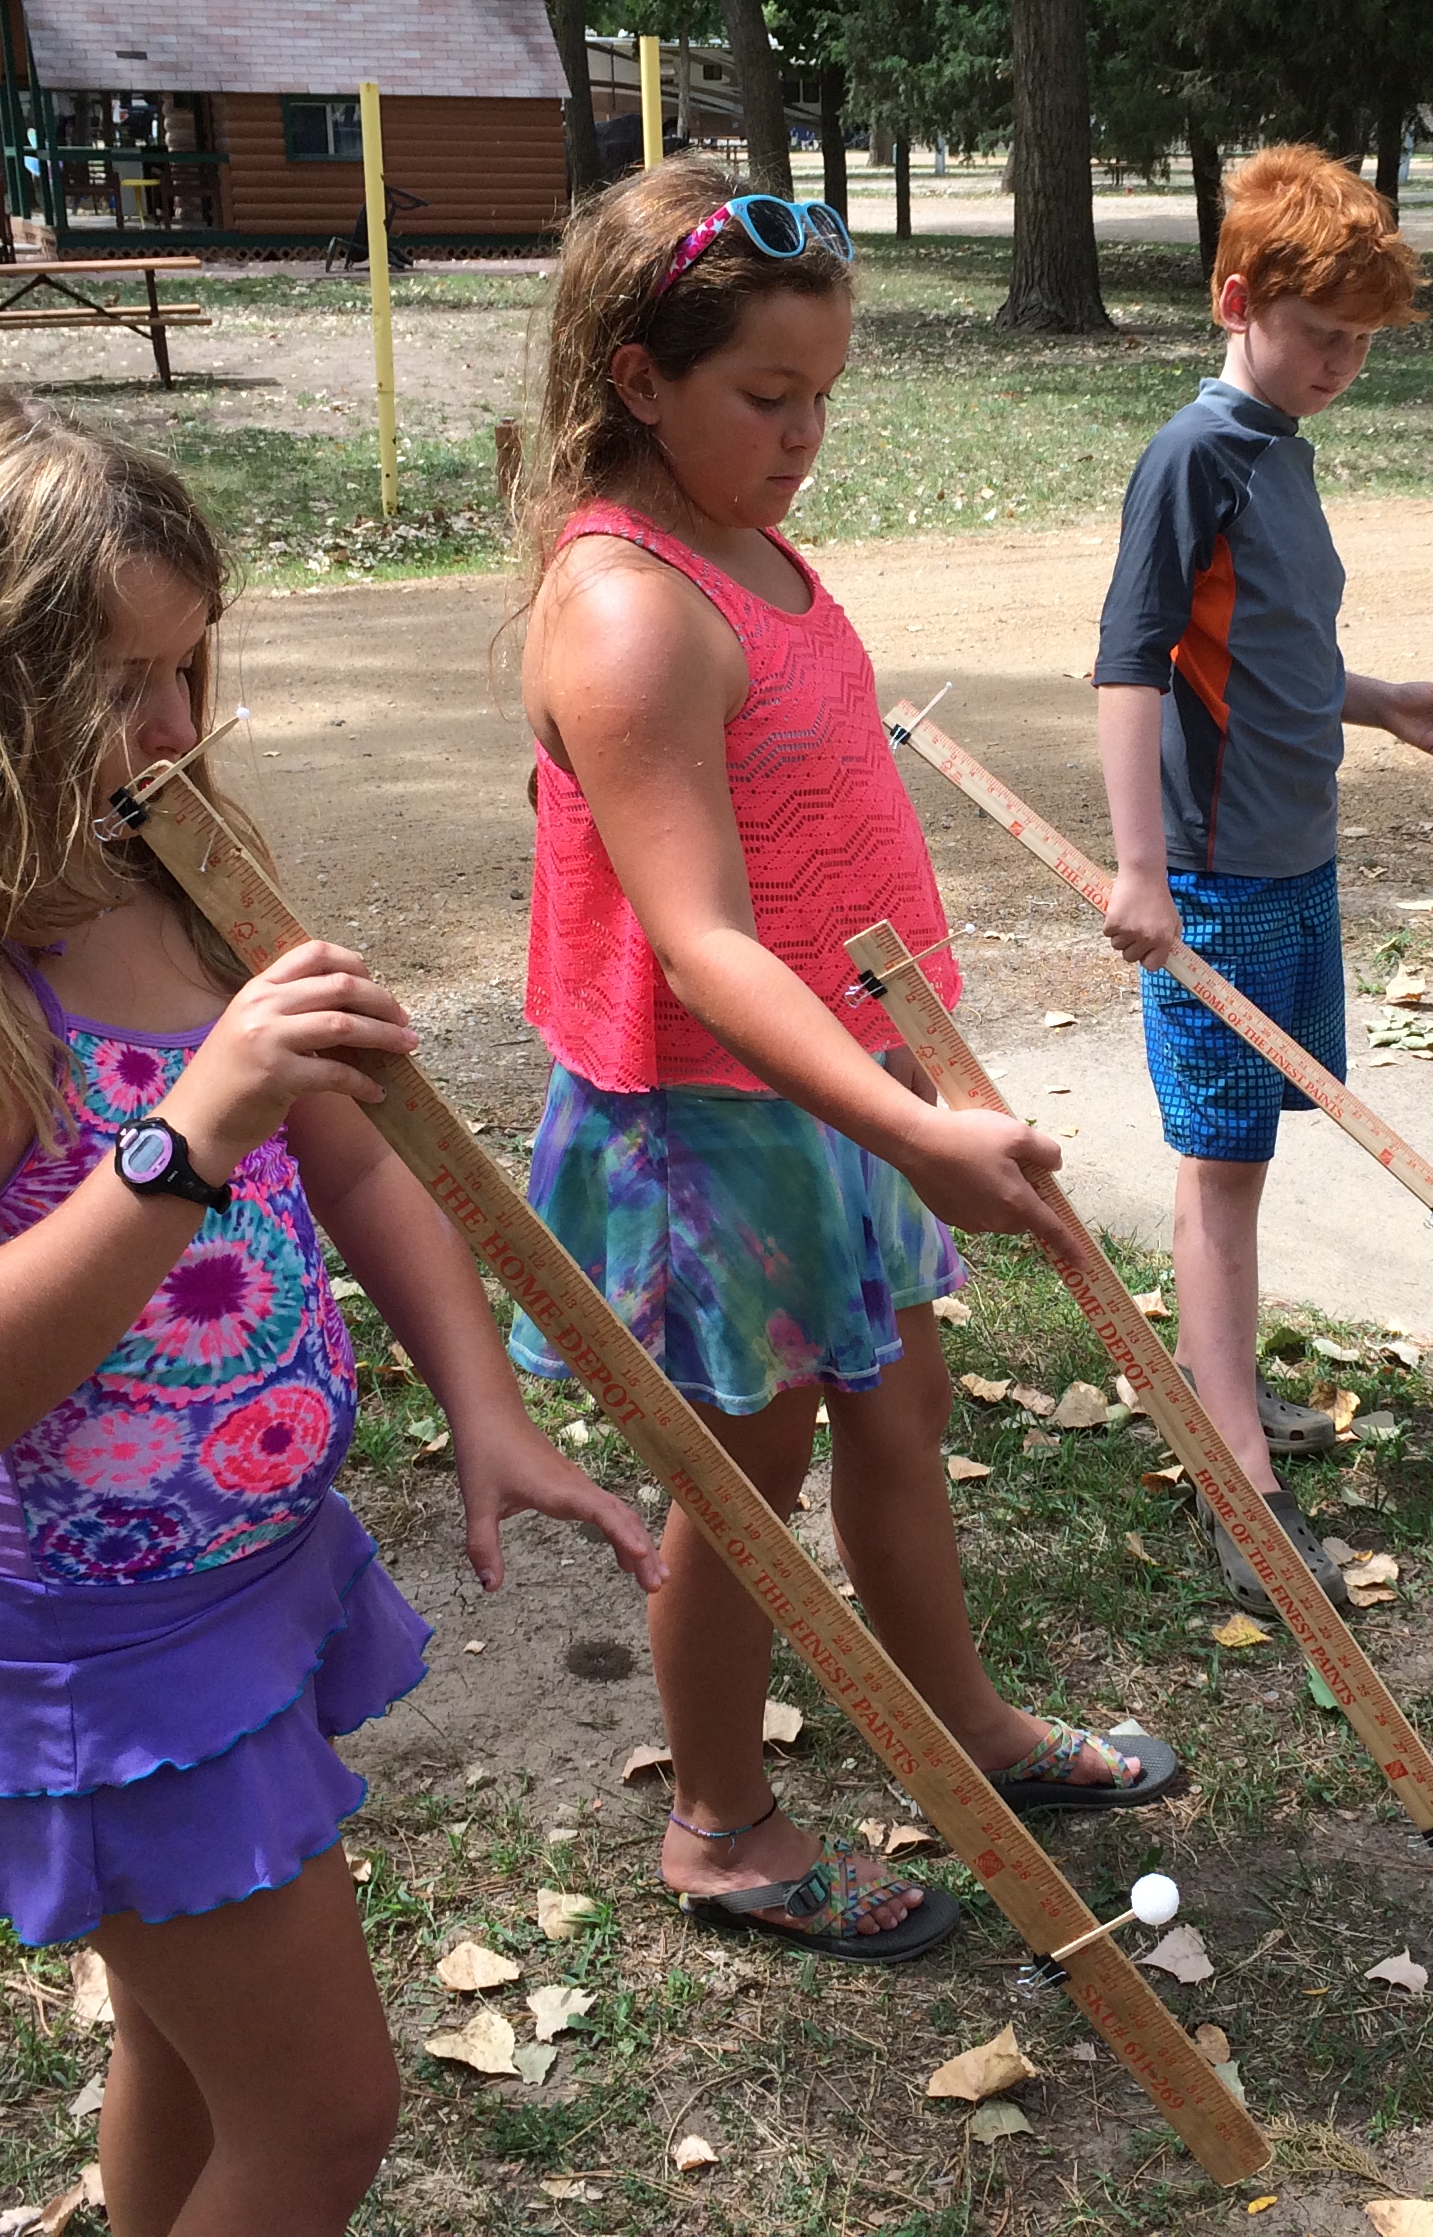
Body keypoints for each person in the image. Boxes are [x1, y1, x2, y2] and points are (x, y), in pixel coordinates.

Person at [0, 383, 664, 2236]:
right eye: (114, 688)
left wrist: (483, 1403)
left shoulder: (172, 867)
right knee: (321, 2121)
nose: (173, 730)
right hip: (89, 1651)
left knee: (186, 2057)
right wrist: (186, 1134)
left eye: (187, 668)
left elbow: (362, 1162)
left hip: (245, 1582)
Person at [505, 154, 1182, 1965]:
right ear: (640, 379)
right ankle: (721, 1827)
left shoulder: (745, 541)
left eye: (823, 395)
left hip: (838, 1090)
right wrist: (912, 1124)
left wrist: (914, 1097)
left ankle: (969, 1733)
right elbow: (702, 942)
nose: (805, 435)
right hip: (715, 1120)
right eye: (766, 396)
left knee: (901, 1410)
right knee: (743, 1488)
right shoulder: (631, 606)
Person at [1092, 144, 1433, 1616]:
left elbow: (1259, 650)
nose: (1341, 365)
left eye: (1363, 344)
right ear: (1237, 300)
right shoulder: (1194, 454)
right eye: (1321, 334)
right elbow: (1131, 665)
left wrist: (1373, 701)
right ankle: (1236, 1471)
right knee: (1221, 1167)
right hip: (1211, 880)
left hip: (1291, 858)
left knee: (1248, 1151)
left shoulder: (1280, 450)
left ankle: (1225, 1384)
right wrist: (1141, 870)